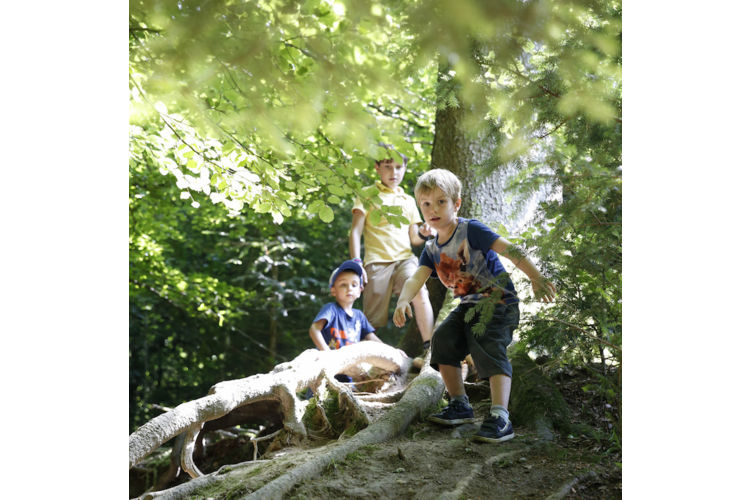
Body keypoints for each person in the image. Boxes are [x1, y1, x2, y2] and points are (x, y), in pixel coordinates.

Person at [393, 169, 556, 443]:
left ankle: (500, 416)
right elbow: (416, 279)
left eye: (441, 202)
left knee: (488, 342)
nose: (433, 209)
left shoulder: (471, 230)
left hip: (498, 302)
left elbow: (510, 249)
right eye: (426, 204)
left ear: (456, 204)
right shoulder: (431, 248)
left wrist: (536, 277)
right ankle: (460, 404)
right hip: (468, 305)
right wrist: (401, 300)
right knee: (443, 338)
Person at [350, 154, 436, 352]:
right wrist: (356, 263)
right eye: (388, 166)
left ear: (405, 168)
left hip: (405, 260)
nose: (393, 172)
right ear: (377, 168)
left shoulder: (407, 200)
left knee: (420, 291)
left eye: (398, 167)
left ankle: (430, 348)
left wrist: (423, 233)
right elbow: (355, 231)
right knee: (372, 320)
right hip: (376, 262)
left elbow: (414, 239)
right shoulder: (367, 194)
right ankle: (358, 358)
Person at [309, 260, 383, 386]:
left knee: (346, 401)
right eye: (343, 285)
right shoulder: (331, 309)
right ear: (333, 291)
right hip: (326, 372)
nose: (349, 288)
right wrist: (328, 354)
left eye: (354, 285)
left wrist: (393, 351)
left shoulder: (359, 316)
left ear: (359, 291)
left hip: (348, 375)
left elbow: (373, 339)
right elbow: (314, 329)